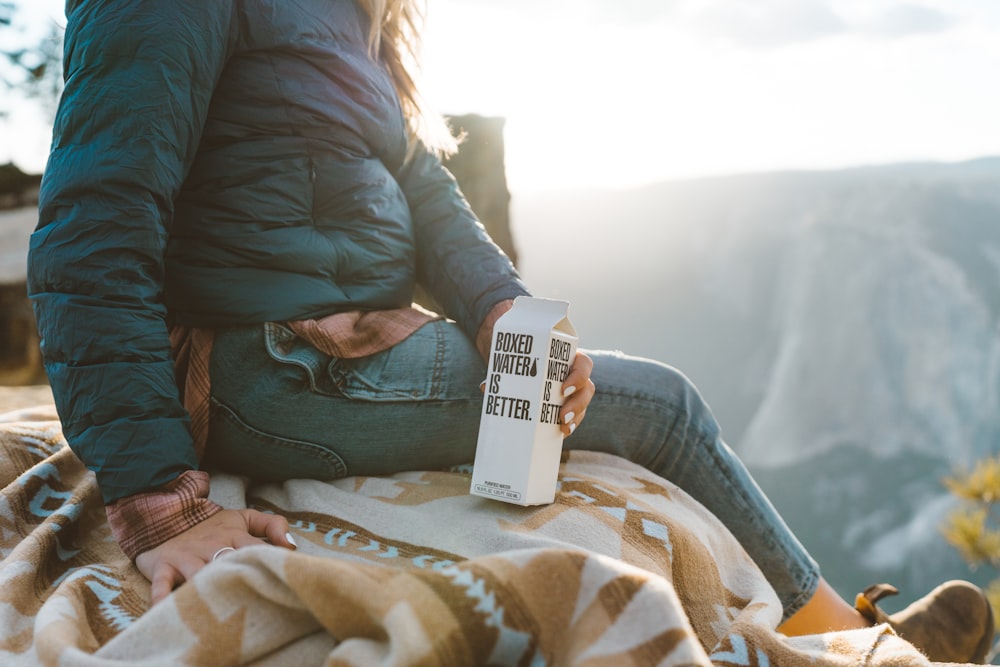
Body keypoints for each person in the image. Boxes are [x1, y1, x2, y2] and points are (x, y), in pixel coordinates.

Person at [26, 0, 992, 662]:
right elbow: (92, 225)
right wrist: (162, 504)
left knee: (617, 400)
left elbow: (422, 185)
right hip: (268, 363)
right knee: (663, 408)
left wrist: (498, 309)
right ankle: (869, 646)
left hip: (344, 338)